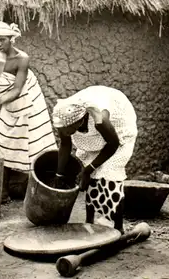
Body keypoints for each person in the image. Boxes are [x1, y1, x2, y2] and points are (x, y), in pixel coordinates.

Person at [0, 21, 57, 201]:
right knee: (5, 143)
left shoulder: (22, 59)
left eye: (1, 40)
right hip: (6, 103)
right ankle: (3, 193)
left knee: (32, 144)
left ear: (11, 39)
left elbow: (18, 89)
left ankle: (36, 190)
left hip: (28, 103)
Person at [52, 85, 138, 234]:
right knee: (88, 172)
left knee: (110, 174)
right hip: (98, 136)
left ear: (79, 122)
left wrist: (88, 170)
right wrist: (58, 175)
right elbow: (65, 144)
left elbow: (113, 144)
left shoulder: (99, 119)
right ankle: (89, 222)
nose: (63, 132)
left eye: (66, 129)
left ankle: (118, 227)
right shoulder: (65, 117)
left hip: (118, 131)